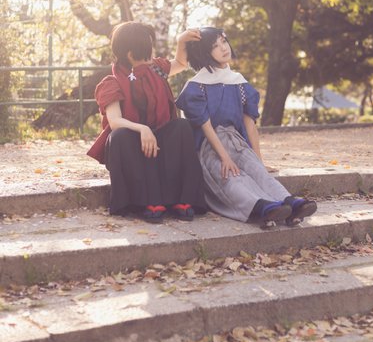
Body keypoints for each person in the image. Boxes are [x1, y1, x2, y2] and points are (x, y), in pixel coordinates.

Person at [176, 27, 317, 226]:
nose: (223, 48)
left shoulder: (239, 83)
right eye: (215, 46)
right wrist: (225, 158)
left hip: (237, 142)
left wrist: (259, 160)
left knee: (258, 172)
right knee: (230, 177)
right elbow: (206, 128)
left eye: (223, 41)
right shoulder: (196, 86)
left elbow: (250, 126)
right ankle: (262, 207)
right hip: (209, 147)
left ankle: (291, 203)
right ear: (204, 53)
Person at [87, 21, 207, 223]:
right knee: (119, 136)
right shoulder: (111, 83)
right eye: (146, 49)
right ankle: (147, 201)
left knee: (182, 126)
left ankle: (183, 199)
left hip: (160, 137)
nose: (151, 53)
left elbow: (180, 63)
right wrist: (142, 129)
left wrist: (181, 41)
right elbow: (115, 121)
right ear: (130, 54)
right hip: (132, 143)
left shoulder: (156, 68)